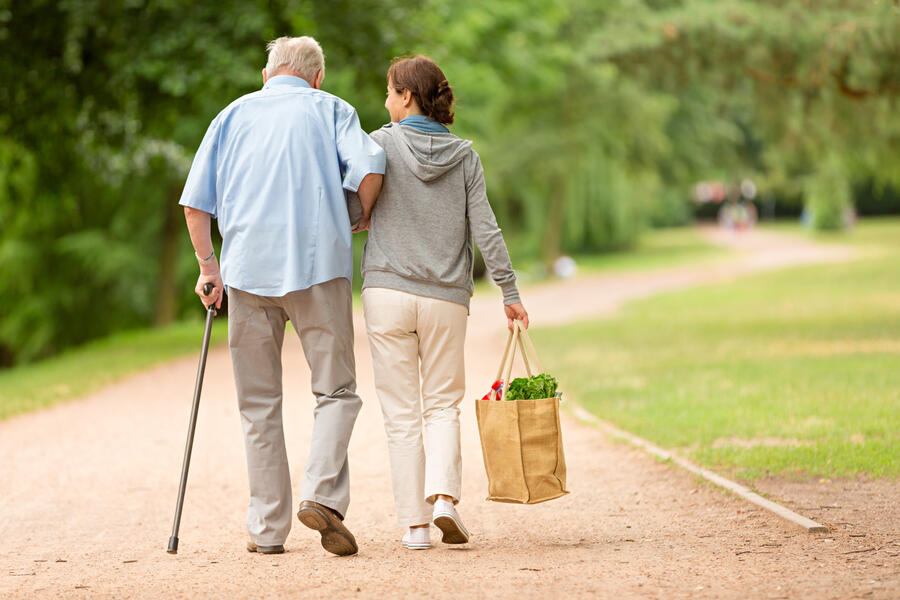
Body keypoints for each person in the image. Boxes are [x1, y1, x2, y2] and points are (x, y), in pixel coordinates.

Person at [179, 36, 385, 556]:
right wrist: (357, 216)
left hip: (247, 273)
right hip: (318, 269)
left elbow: (195, 206)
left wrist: (210, 267)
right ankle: (321, 494)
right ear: (316, 76)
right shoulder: (332, 109)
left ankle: (267, 531)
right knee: (336, 392)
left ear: (267, 73)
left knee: (258, 405)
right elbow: (371, 168)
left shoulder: (231, 115)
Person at [359, 55, 528, 550]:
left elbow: (354, 207)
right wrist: (510, 292)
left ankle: (414, 527)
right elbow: (487, 231)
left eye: (390, 92)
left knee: (401, 413)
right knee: (441, 406)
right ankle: (446, 501)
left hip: (387, 292)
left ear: (407, 97)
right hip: (445, 300)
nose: (386, 101)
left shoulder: (380, 144)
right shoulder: (466, 156)